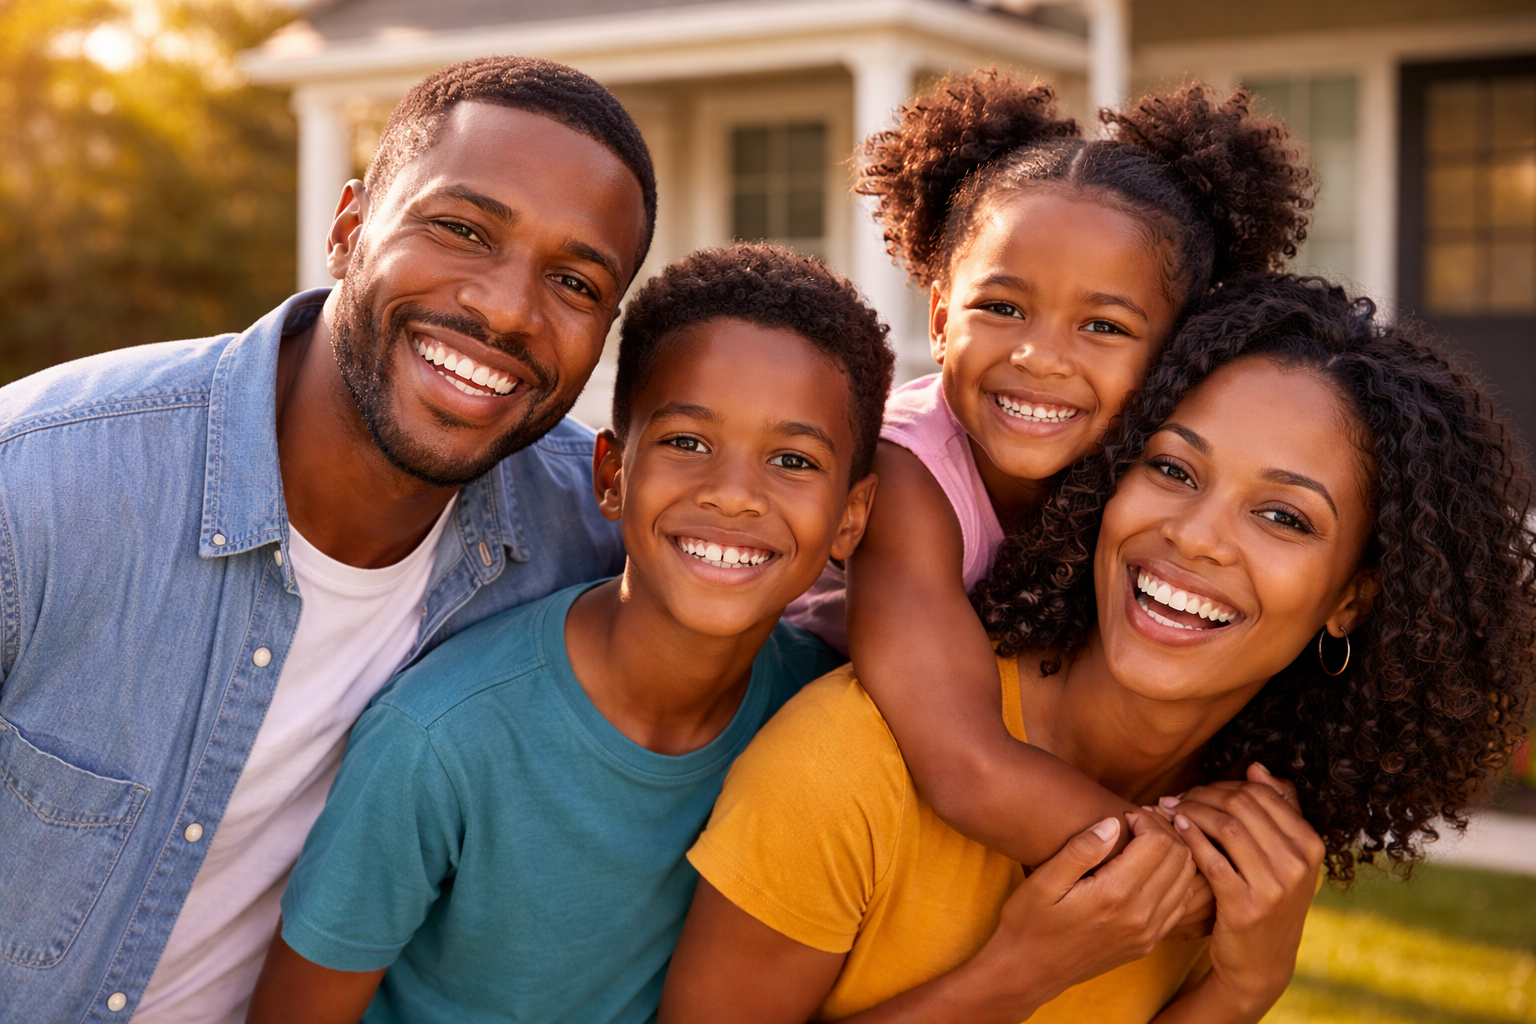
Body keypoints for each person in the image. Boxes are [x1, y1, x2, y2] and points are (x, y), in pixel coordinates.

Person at [661, 274, 1536, 1023]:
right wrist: (1016, 977)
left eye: (1283, 518)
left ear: (1353, 599)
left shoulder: (1238, 854)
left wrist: (1241, 989)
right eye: (1172, 470)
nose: (1197, 539)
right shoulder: (848, 770)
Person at [0, 56, 657, 1023]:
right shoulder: (43, 485)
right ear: (349, 230)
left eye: (574, 281)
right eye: (462, 230)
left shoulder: (589, 526)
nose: (507, 309)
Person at [244, 244, 894, 1024]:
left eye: (792, 459)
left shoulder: (825, 717)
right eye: (687, 443)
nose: (733, 496)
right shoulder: (440, 742)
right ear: (612, 475)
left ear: (851, 518)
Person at [784, 70, 1316, 866]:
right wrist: (1190, 879)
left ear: (1176, 352)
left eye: (1103, 324)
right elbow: (965, 765)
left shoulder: (1150, 485)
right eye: (1001, 308)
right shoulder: (903, 473)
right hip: (794, 774)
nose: (1040, 357)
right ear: (938, 318)